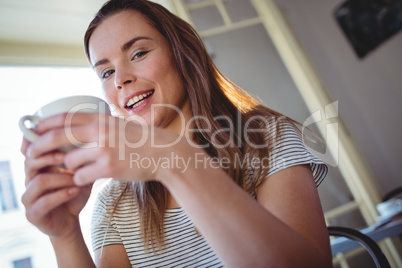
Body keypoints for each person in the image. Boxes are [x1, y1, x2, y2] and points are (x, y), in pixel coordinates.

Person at [20, 0, 333, 267]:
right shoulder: (114, 204)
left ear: (182, 53)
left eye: (138, 53)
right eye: (106, 72)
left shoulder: (266, 138)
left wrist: (172, 159)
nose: (121, 80)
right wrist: (65, 235)